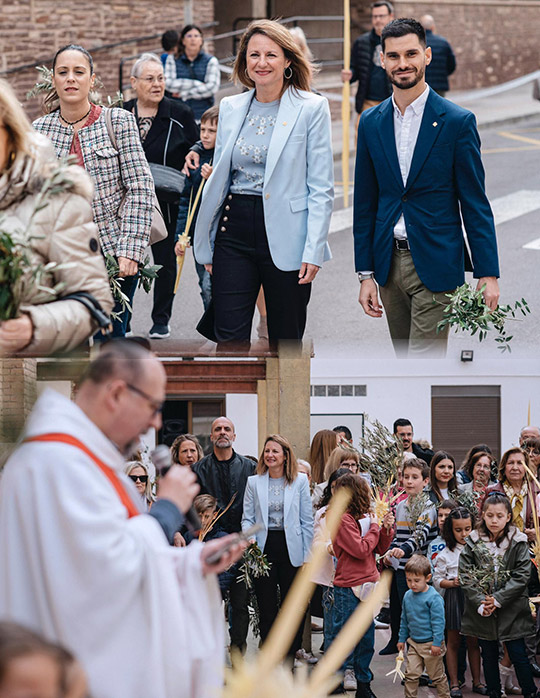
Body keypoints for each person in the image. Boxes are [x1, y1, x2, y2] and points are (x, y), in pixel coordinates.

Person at [0, 341, 245, 698]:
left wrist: (191, 561)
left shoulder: (85, 459)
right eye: (153, 406)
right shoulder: (58, 463)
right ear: (116, 393)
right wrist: (167, 508)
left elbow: (109, 551)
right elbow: (105, 569)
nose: (156, 422)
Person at [354, 18, 500, 357]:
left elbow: (475, 202)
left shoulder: (458, 122)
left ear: (427, 56)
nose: (402, 63)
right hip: (388, 265)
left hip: (436, 263)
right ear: (382, 59)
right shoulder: (371, 122)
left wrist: (487, 272)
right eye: (393, 56)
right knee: (403, 362)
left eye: (411, 54)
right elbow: (365, 203)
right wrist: (365, 274)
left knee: (424, 364)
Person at [193, 19, 334, 345]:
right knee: (228, 337)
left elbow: (322, 187)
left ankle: (286, 398)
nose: (261, 62)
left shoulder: (312, 108)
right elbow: (223, 175)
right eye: (253, 55)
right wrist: (209, 240)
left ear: (287, 60)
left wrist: (312, 250)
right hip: (234, 229)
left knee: (285, 341)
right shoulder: (230, 107)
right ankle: (235, 396)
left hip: (288, 234)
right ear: (244, 61)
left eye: (271, 54)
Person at [32, 44, 154, 338]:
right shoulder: (39, 131)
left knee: (110, 343)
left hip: (113, 255)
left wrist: (130, 251)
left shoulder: (119, 121)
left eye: (78, 72)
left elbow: (140, 186)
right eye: (63, 72)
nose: (71, 78)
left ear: (92, 79)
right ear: (53, 79)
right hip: (60, 260)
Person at [0, 78, 113, 355]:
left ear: (11, 132)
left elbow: (94, 301)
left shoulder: (55, 199)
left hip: (21, 380)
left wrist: (31, 327)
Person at [123, 53, 198, 339]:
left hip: (165, 200)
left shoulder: (179, 113)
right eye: (150, 79)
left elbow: (196, 145)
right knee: (126, 261)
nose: (157, 84)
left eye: (161, 78)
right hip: (128, 202)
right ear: (134, 83)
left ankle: (161, 320)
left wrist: (192, 158)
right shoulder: (121, 112)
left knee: (165, 264)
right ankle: (123, 320)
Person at [459, 492, 538, 698]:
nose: (494, 520)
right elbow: (466, 574)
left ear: (508, 517)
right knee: (489, 652)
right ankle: (494, 690)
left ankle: (530, 691)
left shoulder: (517, 541)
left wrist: (499, 599)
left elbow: (522, 575)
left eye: (499, 516)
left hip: (511, 607)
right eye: (490, 515)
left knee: (518, 652)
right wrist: (480, 602)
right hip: (483, 608)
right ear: (483, 515)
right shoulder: (473, 542)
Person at [242, 434, 314, 657]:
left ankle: (291, 652)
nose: (270, 455)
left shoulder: (299, 481)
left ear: (285, 456)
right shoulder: (254, 482)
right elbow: (247, 518)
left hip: (292, 547)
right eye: (267, 451)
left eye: (275, 451)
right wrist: (250, 539)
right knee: (266, 606)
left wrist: (307, 557)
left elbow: (307, 520)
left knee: (294, 604)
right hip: (263, 548)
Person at [191, 417, 256, 655]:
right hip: (211, 547)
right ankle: (209, 656)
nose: (222, 432)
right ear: (211, 437)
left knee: (239, 606)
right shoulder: (198, 470)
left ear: (234, 436)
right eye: (217, 429)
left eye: (227, 429)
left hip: (241, 546)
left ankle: (238, 655)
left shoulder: (250, 468)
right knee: (209, 604)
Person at [331, 473, 395, 698]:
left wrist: (386, 529)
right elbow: (360, 549)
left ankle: (363, 682)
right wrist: (376, 527)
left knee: (366, 637)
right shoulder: (341, 519)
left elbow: (378, 548)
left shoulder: (366, 517)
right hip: (348, 585)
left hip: (369, 582)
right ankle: (336, 679)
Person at [381, 458, 437, 655]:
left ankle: (416, 650)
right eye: (406, 477)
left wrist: (403, 550)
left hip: (418, 567)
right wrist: (390, 551)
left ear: (425, 481)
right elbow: (398, 536)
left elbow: (419, 535)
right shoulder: (400, 506)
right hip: (400, 566)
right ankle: (395, 640)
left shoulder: (428, 507)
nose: (410, 481)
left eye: (415, 477)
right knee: (397, 606)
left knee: (414, 610)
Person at [434, 508, 486, 697]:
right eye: (458, 530)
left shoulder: (479, 549)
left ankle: (478, 682)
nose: (463, 534)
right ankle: (454, 683)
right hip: (454, 597)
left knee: (474, 641)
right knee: (453, 641)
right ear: (450, 530)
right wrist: (452, 582)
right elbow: (437, 580)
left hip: (473, 597)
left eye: (467, 529)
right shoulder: (445, 553)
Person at [175, 105, 218, 311]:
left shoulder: (224, 158)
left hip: (220, 234)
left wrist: (213, 177)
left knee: (215, 285)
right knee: (204, 285)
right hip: (200, 235)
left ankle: (223, 331)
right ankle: (214, 328)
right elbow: (186, 201)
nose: (206, 135)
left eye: (212, 131)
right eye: (203, 130)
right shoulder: (195, 159)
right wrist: (181, 236)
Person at [397, 555, 450, 698]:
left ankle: (445, 696)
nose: (412, 584)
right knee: (411, 675)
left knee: (437, 676)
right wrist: (401, 639)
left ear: (428, 578)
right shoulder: (408, 596)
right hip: (414, 643)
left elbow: (439, 623)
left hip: (431, 644)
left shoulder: (434, 598)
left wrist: (437, 643)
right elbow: (404, 619)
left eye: (416, 580)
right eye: (409, 580)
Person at [341, 1, 394, 125]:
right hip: (367, 102)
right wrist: (349, 74)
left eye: (381, 16)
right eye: (375, 16)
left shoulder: (396, 41)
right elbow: (355, 69)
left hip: (391, 101)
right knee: (361, 139)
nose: (378, 20)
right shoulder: (361, 42)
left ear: (391, 16)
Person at [164, 24, 220, 121]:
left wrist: (185, 93)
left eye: (196, 36)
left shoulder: (211, 61)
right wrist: (197, 84)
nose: (193, 39)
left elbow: (212, 87)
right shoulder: (172, 59)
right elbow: (168, 83)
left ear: (201, 40)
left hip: (202, 115)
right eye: (189, 36)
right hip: (178, 114)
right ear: (183, 40)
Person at [485, 448, 536, 541]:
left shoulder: (537, 491)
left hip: (532, 549)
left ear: (526, 467)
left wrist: (537, 532)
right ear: (504, 467)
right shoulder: (491, 491)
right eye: (511, 463)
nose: (515, 467)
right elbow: (482, 523)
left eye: (520, 463)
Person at [419, 15, 456, 97]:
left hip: (422, 85)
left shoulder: (418, 43)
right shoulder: (443, 43)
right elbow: (452, 65)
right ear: (433, 27)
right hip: (440, 85)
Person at [429, 498, 457, 573]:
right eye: (440, 515)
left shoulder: (460, 541)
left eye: (447, 515)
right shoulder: (433, 544)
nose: (442, 519)